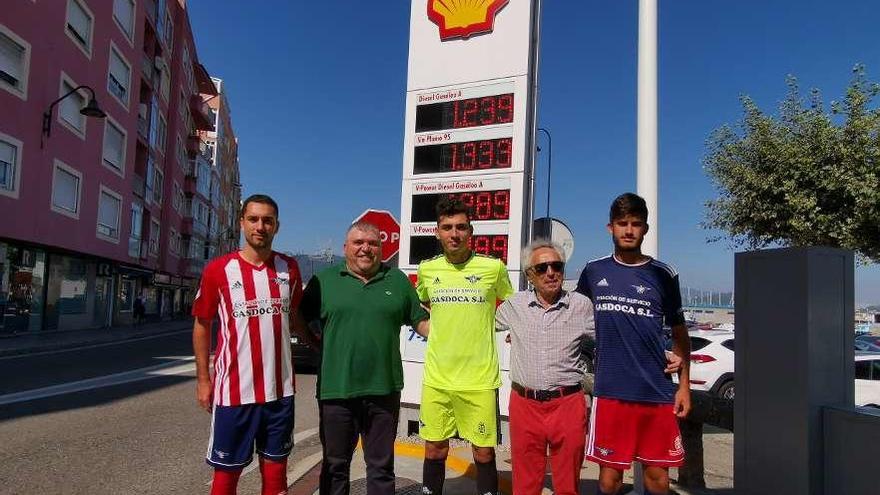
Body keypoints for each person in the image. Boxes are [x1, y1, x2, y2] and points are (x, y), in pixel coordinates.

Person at [295, 221, 430, 495]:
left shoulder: (398, 281)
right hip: (336, 392)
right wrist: (313, 343)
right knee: (335, 466)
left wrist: (456, 321)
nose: (365, 249)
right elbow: (297, 317)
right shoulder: (325, 281)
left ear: (381, 248)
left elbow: (422, 323)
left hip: (384, 391)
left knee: (381, 467)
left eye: (373, 243)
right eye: (358, 243)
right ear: (345, 248)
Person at [576, 192, 692, 495]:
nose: (629, 230)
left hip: (655, 392)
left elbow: (680, 333)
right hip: (610, 390)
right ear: (610, 228)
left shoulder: (664, 274)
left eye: (636, 224)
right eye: (622, 223)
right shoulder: (593, 271)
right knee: (609, 481)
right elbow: (572, 317)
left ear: (646, 229)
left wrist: (683, 387)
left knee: (658, 479)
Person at [192, 194, 303, 495]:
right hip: (234, 394)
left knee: (277, 473)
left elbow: (294, 317)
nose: (260, 226)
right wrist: (204, 380)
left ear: (277, 226)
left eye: (268, 220)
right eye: (253, 219)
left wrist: (317, 343)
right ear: (241, 223)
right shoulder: (218, 270)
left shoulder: (289, 268)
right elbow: (202, 325)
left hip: (280, 393)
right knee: (226, 478)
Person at [416, 198, 514, 495]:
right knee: (434, 449)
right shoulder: (426, 270)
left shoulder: (493, 268)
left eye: (460, 227)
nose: (454, 233)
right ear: (437, 232)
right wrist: (430, 327)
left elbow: (513, 305)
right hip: (438, 379)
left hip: (480, 380)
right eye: (447, 228)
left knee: (483, 454)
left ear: (471, 231)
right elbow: (419, 304)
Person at [495, 239, 595, 495]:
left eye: (556, 266)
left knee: (568, 486)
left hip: (568, 404)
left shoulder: (582, 306)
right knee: (525, 485)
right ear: (530, 275)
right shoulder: (514, 306)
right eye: (542, 268)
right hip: (524, 404)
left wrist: (661, 354)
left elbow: (615, 337)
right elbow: (475, 323)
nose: (550, 273)